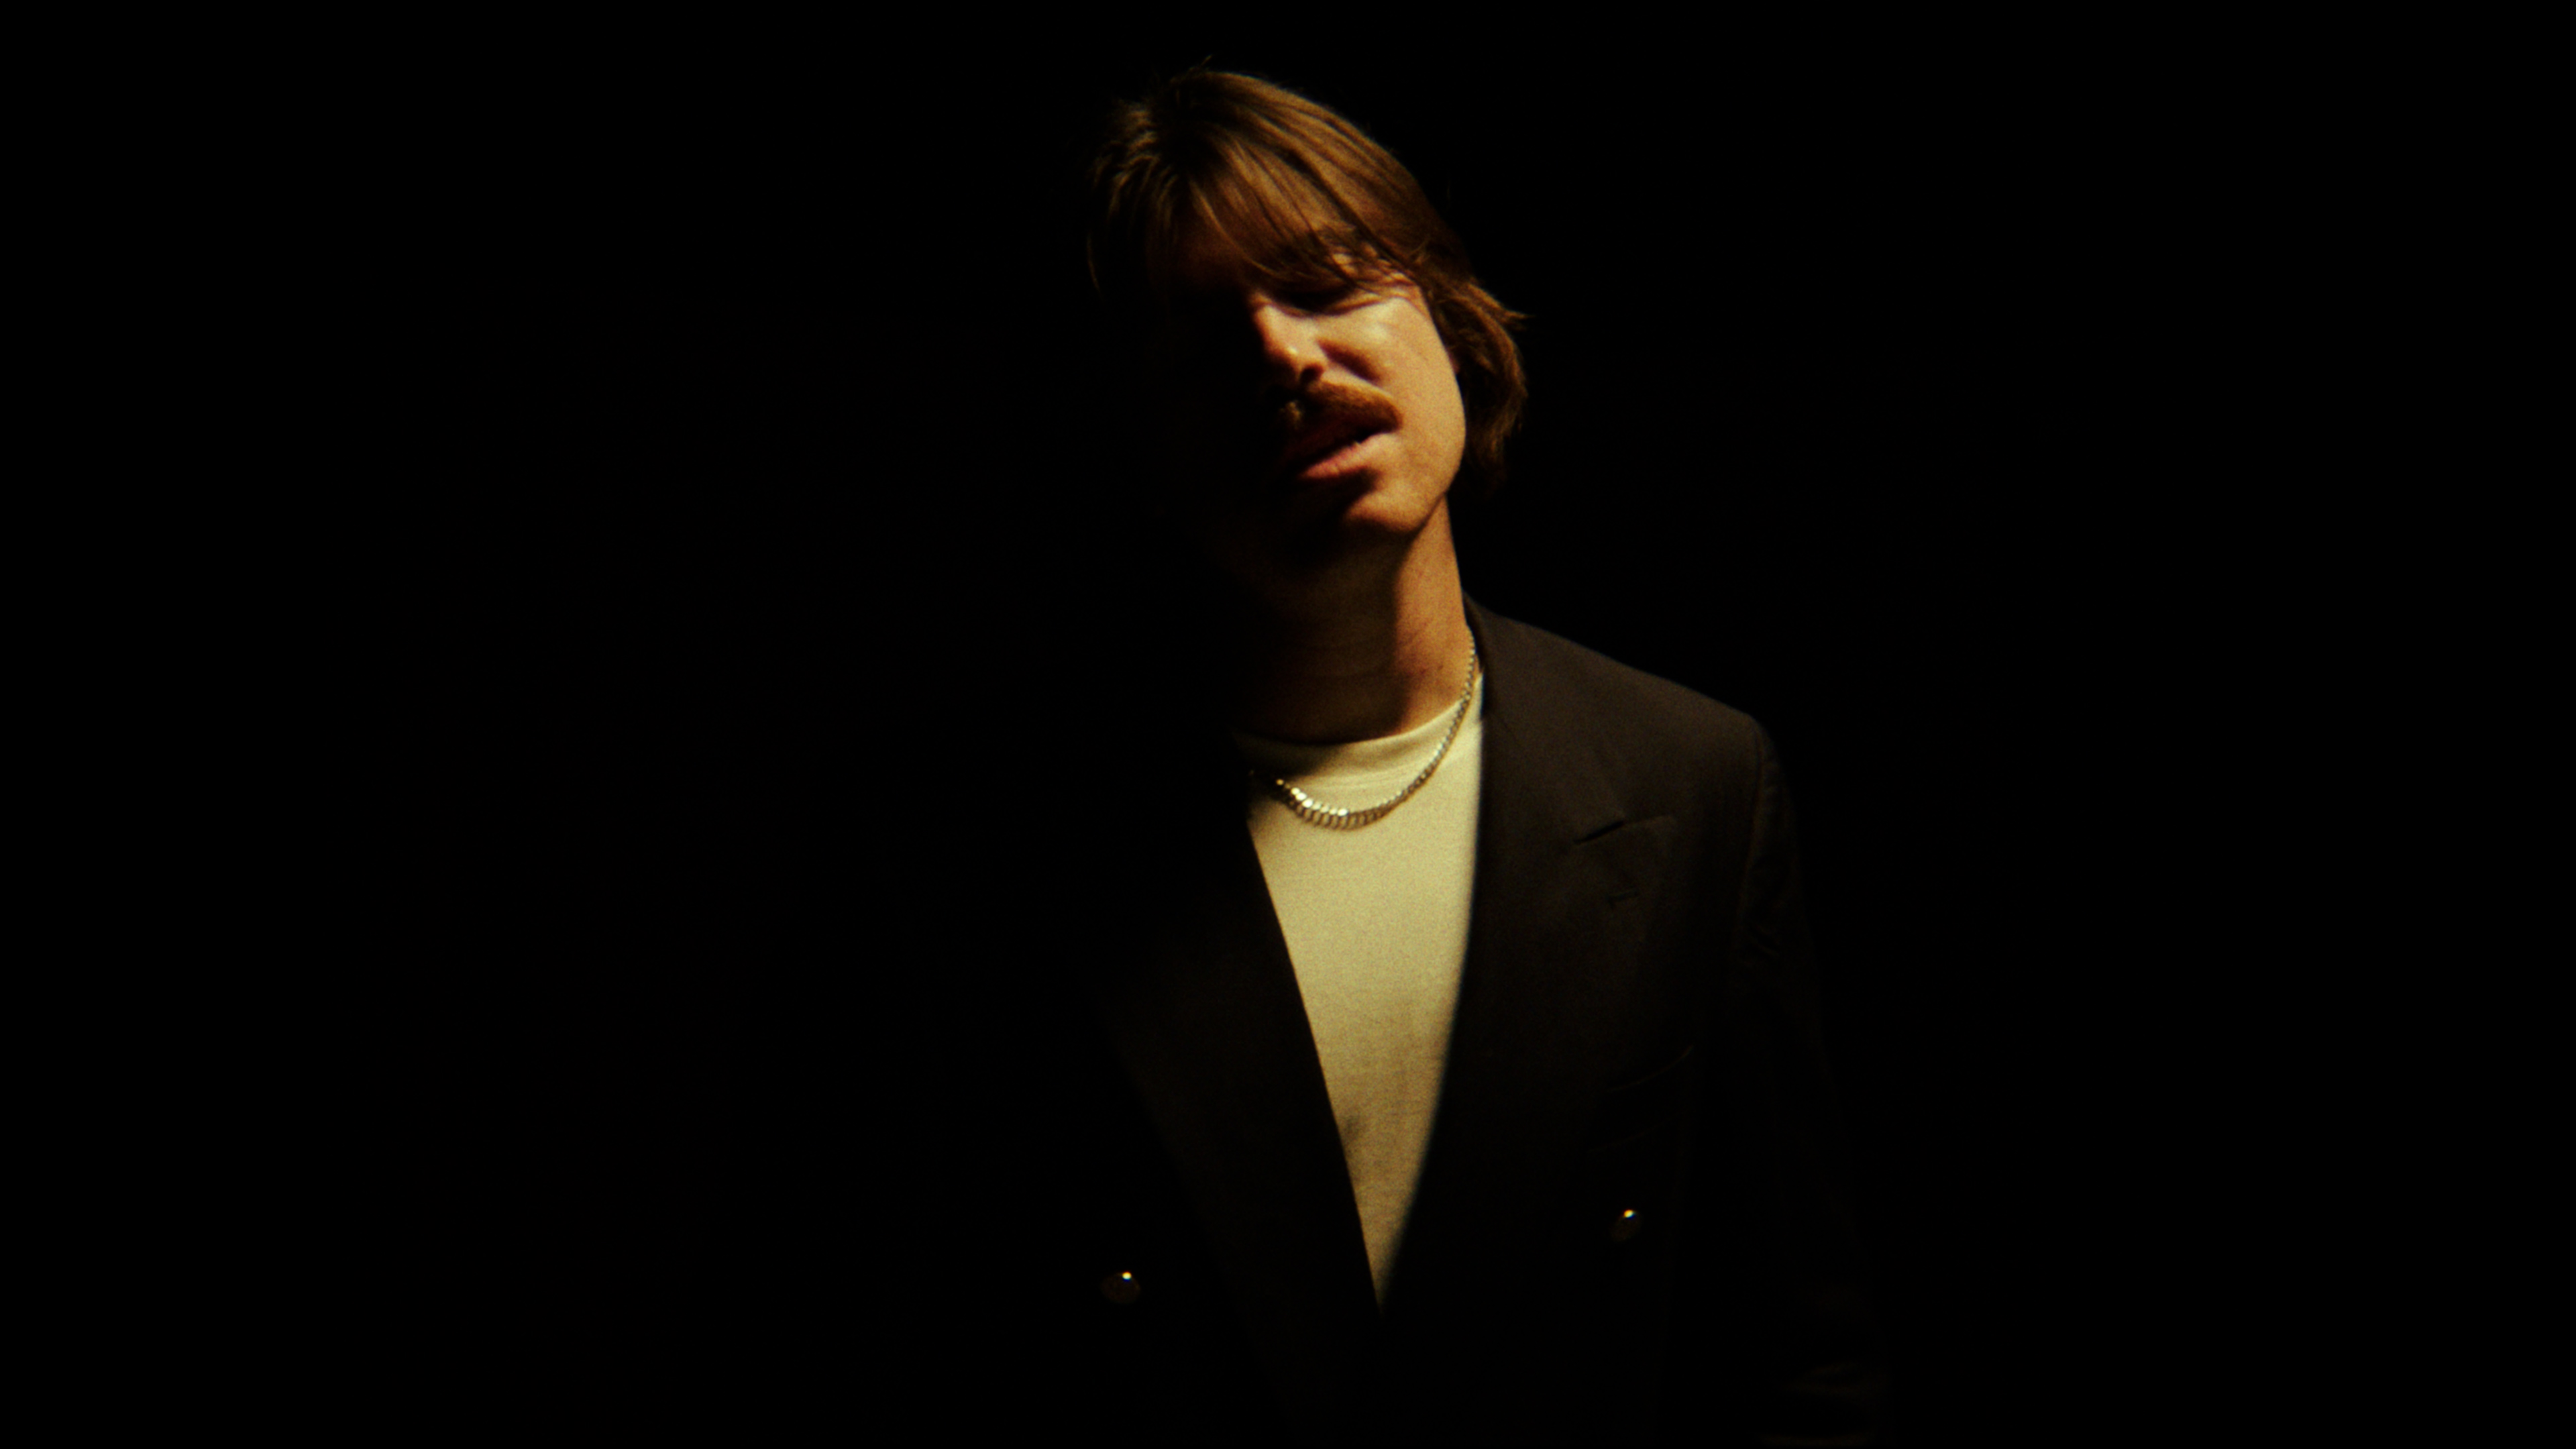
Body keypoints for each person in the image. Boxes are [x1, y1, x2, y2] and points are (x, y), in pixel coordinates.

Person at [910, 68, 1888, 1445]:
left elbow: (1798, 1371)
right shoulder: (958, 841)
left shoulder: (1691, 783)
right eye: (1197, 341)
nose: (1285, 357)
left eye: (1324, 285)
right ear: (1124, 440)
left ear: (1446, 313)